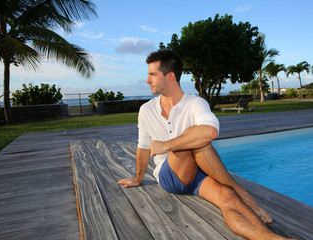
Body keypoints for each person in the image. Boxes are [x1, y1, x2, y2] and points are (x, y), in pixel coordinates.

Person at [118, 50, 293, 240]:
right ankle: (241, 190)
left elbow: (210, 132)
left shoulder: (195, 103)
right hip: (170, 176)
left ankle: (272, 237)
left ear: (170, 77)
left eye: (152, 74)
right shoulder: (147, 110)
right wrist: (137, 178)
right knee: (190, 142)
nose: (147, 80)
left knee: (228, 198)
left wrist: (166, 145)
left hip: (198, 173)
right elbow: (143, 147)